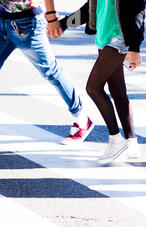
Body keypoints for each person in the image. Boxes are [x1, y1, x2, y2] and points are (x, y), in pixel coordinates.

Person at [55, 0, 146, 164]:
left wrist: (135, 48)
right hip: (105, 38)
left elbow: (137, 10)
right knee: (117, 90)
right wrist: (64, 23)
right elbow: (89, 9)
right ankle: (132, 143)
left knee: (93, 88)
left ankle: (115, 139)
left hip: (119, 39)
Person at [0, 0, 94, 144]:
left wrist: (51, 17)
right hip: (2, 19)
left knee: (51, 72)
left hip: (27, 23)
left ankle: (81, 118)